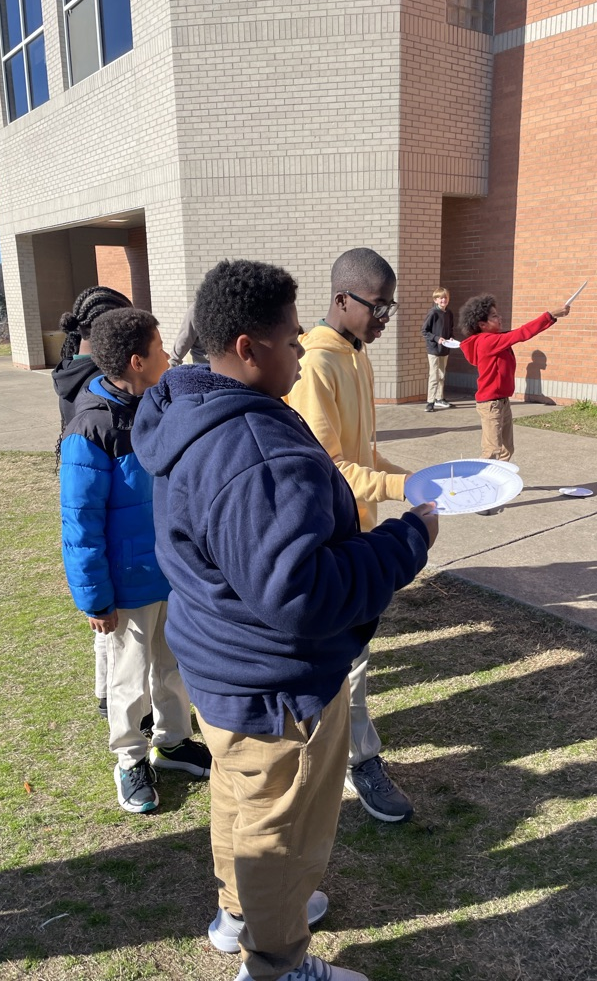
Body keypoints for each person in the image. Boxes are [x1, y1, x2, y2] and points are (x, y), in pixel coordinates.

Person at [132, 259, 437, 981]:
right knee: (281, 830)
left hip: (222, 664)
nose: (300, 351)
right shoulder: (255, 450)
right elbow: (303, 593)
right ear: (246, 347)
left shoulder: (189, 411)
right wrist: (407, 539)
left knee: (242, 798)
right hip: (275, 683)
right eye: (290, 340)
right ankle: (276, 963)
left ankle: (239, 913)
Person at [59, 308, 211, 814]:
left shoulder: (158, 407)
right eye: (161, 348)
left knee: (173, 667)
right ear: (136, 360)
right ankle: (130, 759)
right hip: (126, 587)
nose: (169, 355)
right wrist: (95, 598)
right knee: (128, 677)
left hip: (171, 574)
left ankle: (172, 741)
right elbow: (80, 525)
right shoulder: (90, 429)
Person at [284, 247, 417, 824]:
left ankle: (342, 750)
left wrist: (422, 482)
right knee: (349, 662)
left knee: (352, 658)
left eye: (391, 306)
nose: (385, 317)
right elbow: (329, 465)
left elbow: (363, 454)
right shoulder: (317, 363)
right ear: (342, 299)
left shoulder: (356, 355)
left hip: (359, 531)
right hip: (329, 537)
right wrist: (401, 490)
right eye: (378, 306)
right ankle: (362, 763)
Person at [52, 285, 133, 718]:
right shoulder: (95, 384)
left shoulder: (71, 367)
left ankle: (106, 691)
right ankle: (111, 697)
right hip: (96, 491)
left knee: (107, 620)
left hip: (90, 489)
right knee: (110, 618)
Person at [459, 294, 570, 461]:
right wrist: (550, 315)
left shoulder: (496, 339)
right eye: (494, 316)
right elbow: (521, 333)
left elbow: (517, 334)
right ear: (482, 324)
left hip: (502, 401)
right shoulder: (486, 341)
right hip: (491, 405)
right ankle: (481, 483)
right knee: (491, 451)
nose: (500, 317)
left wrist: (550, 319)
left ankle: (499, 483)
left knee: (506, 450)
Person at [421, 286, 456, 411]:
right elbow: (424, 331)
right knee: (434, 376)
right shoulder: (433, 313)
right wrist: (437, 338)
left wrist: (451, 337)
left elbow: (450, 329)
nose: (443, 300)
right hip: (434, 349)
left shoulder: (449, 313)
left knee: (442, 374)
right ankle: (430, 402)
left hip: (445, 349)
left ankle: (439, 398)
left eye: (445, 298)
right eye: (440, 298)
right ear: (435, 300)